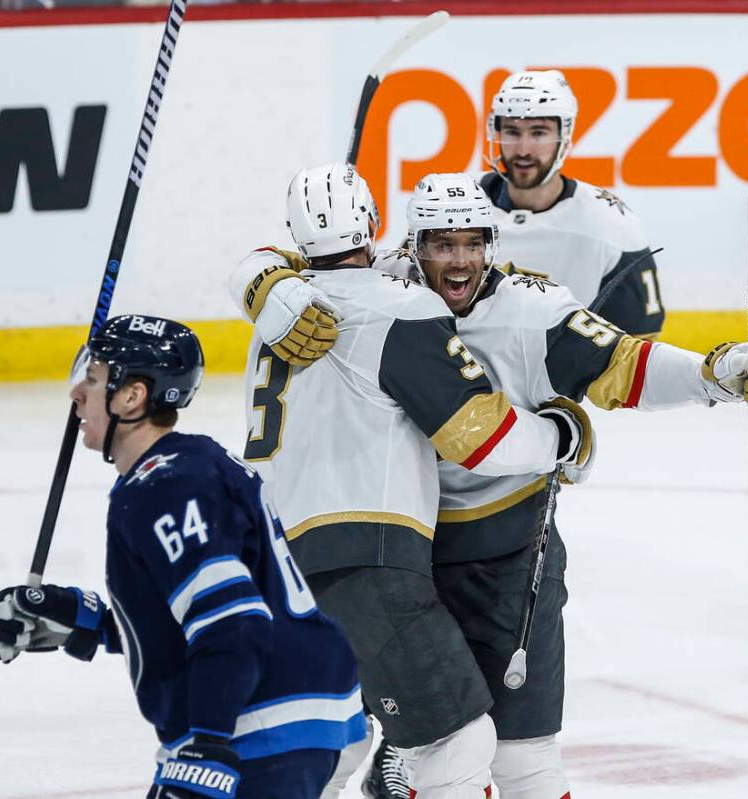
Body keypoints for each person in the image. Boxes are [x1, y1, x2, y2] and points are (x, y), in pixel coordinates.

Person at [238, 170, 748, 798]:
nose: (459, 259)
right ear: (410, 246)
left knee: (520, 760)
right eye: (441, 244)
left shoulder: (533, 309)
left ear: (492, 243)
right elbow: (297, 256)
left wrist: (714, 374)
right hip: (404, 559)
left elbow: (623, 364)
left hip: (506, 562)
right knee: (378, 738)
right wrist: (266, 285)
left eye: (472, 243)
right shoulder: (389, 287)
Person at [229, 163, 592, 799]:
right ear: (375, 225)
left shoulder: (280, 310)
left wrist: (257, 277)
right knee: (458, 741)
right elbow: (481, 436)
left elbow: (257, 263)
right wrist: (562, 438)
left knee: (334, 745)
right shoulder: (400, 307)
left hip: (273, 560)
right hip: (365, 559)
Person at [0, 315, 367, 799]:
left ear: (132, 396)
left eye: (93, 378)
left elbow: (232, 623)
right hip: (281, 706)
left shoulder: (165, 486)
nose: (77, 394)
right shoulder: (190, 462)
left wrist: (208, 748)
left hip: (260, 721)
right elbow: (200, 619)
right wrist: (86, 623)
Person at [481, 69, 665, 340]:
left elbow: (640, 347)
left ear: (565, 135)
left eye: (539, 132)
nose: (523, 150)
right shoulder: (455, 206)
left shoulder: (611, 225)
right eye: (512, 131)